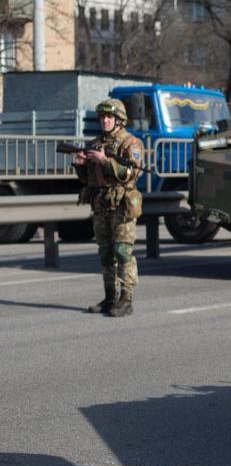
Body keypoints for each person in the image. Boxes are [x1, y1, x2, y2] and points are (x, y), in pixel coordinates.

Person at [72, 98, 144, 317]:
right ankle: (110, 297)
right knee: (105, 253)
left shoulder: (130, 143)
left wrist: (104, 161)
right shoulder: (95, 144)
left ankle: (126, 299)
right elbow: (89, 180)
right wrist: (80, 165)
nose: (104, 120)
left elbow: (130, 173)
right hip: (101, 204)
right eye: (102, 117)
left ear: (119, 120)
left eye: (109, 117)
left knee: (123, 251)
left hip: (122, 205)